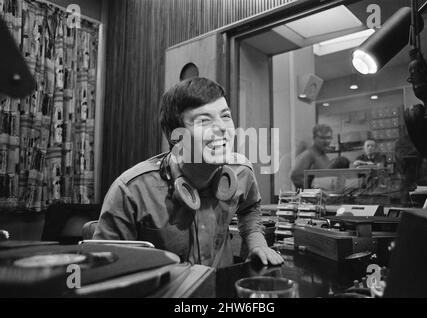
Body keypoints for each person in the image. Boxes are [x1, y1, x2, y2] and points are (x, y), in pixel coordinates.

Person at [93, 77, 283, 268]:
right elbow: (103, 269)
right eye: (203, 121)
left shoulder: (242, 172)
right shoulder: (130, 191)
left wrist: (257, 243)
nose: (222, 128)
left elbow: (250, 209)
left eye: (225, 116)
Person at [289, 124, 333, 189]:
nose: (326, 141)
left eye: (328, 138)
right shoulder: (309, 154)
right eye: (322, 138)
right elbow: (295, 176)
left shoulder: (323, 155)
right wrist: (310, 192)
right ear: (314, 138)